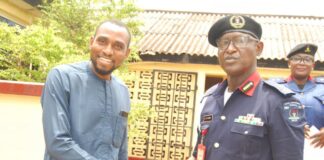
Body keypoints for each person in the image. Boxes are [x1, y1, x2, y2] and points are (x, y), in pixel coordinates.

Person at [191, 15, 306, 160]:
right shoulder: (209, 99)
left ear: (258, 48)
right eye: (223, 43)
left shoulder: (279, 102)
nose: (230, 49)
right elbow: (198, 154)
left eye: (240, 41)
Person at [41, 19, 131, 160]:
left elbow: (121, 149)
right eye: (102, 41)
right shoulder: (62, 77)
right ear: (91, 42)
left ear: (127, 53)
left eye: (118, 46)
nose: (108, 51)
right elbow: (57, 142)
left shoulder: (123, 91)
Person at [272, 43, 324, 148]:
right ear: (289, 63)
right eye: (296, 59)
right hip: (283, 149)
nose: (302, 63)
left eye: (307, 59)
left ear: (313, 65)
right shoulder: (274, 87)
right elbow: (264, 116)